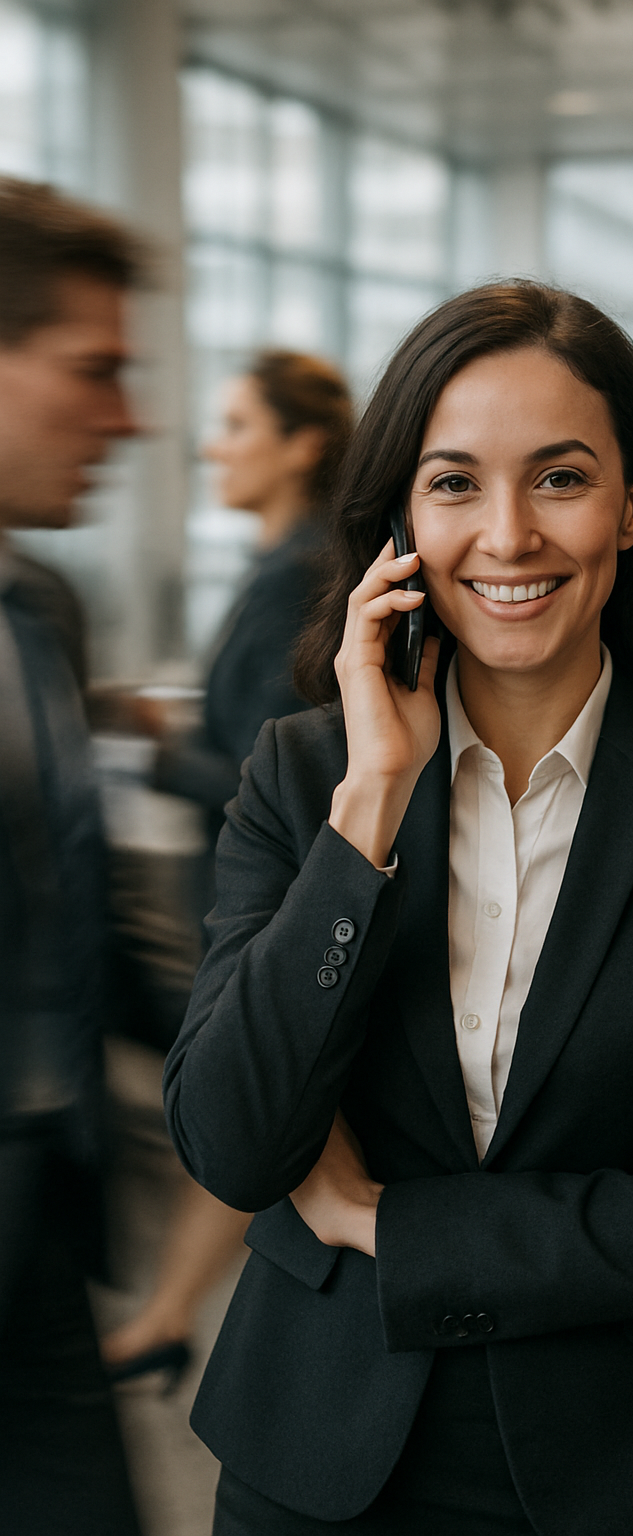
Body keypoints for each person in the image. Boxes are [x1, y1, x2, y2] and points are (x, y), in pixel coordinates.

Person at [163, 280, 633, 1536]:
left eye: (562, 477)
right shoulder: (308, 773)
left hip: (625, 1464)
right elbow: (234, 1144)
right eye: (457, 481)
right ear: (401, 519)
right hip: (315, 1451)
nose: (510, 535)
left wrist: (390, 1223)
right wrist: (369, 803)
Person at [102, 348, 354, 1384]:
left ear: (301, 447)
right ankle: (167, 1315)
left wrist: (147, 749)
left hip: (266, 900)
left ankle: (177, 1318)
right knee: (256, 1107)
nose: (212, 445)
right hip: (267, 900)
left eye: (239, 426)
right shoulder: (289, 563)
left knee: (246, 1102)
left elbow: (274, 774)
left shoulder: (295, 573)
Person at [0, 175, 142, 1533]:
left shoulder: (44, 605)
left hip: (45, 1211)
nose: (129, 418)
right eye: (93, 372)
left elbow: (70, 910)